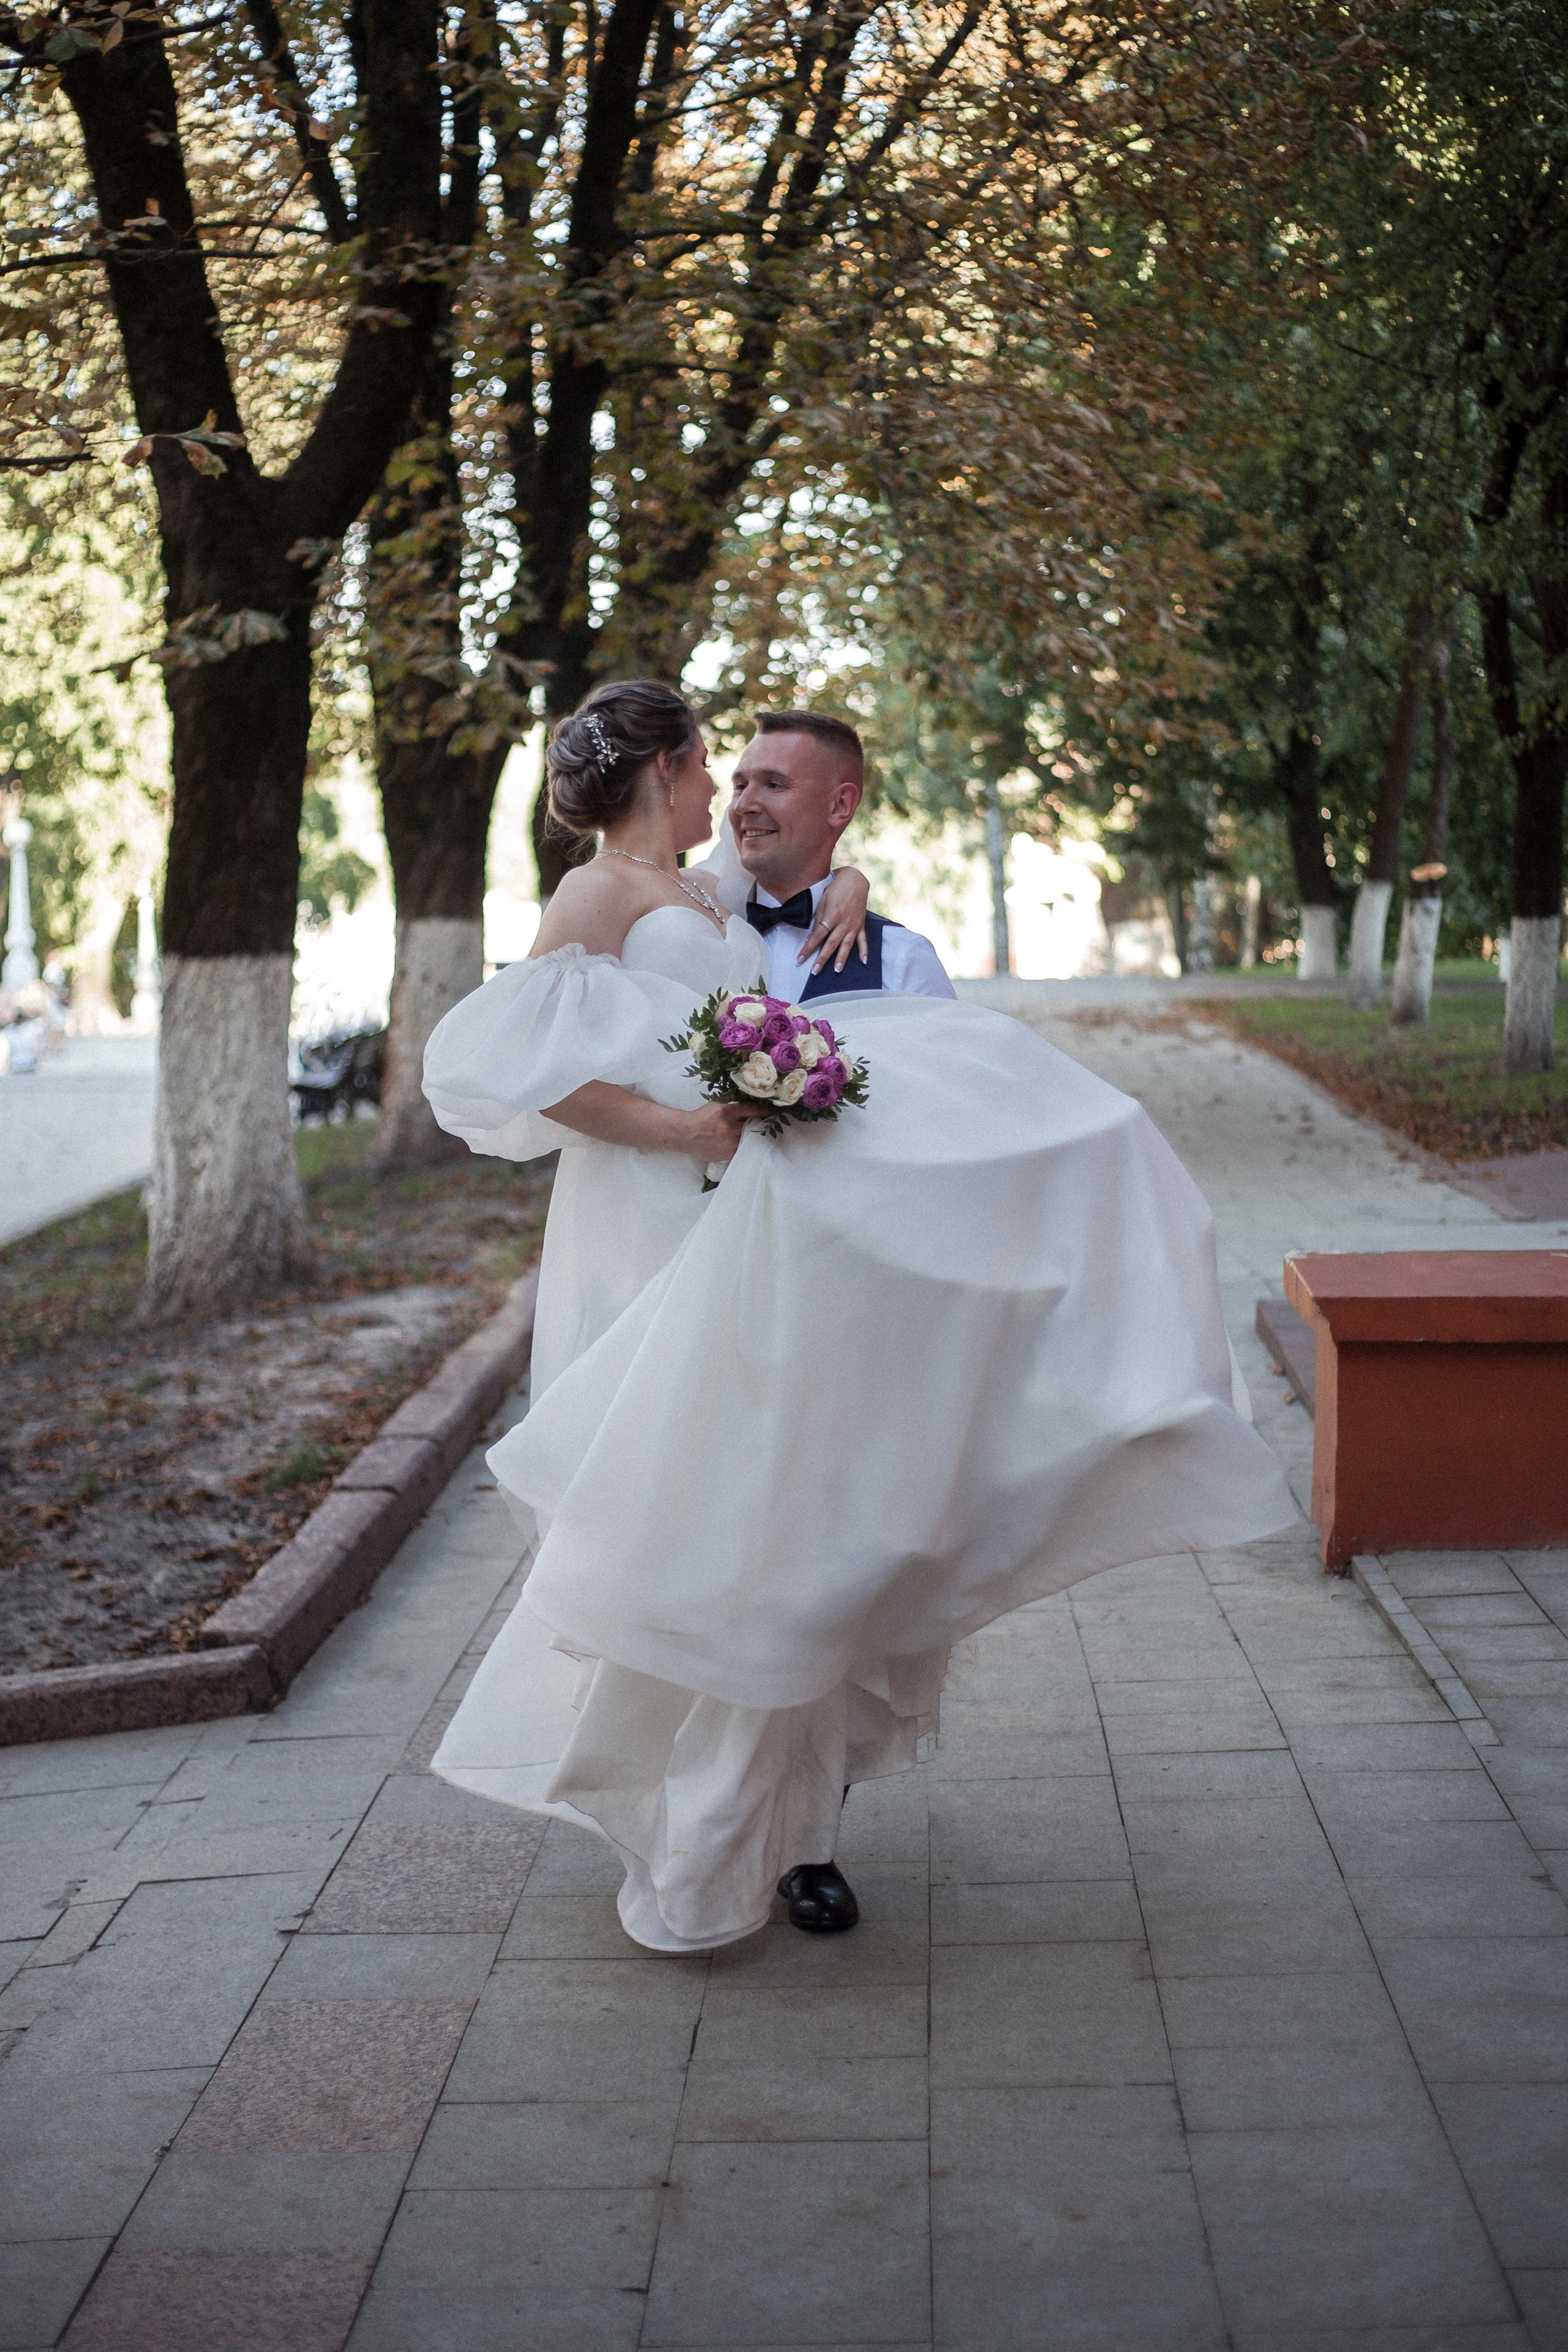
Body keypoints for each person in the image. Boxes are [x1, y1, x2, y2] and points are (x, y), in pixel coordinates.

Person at [421, 680, 1295, 1955]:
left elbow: (781, 882)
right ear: (662, 766)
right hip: (653, 1216)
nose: (725, 789)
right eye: (713, 767)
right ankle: (691, 1811)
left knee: (782, 1513)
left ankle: (772, 1828)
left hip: (758, 1227)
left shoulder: (705, 891)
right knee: (688, 1498)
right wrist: (679, 1125)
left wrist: (849, 886)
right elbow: (536, 1068)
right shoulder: (597, 892)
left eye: (751, 778)